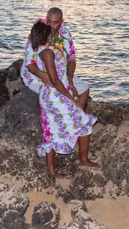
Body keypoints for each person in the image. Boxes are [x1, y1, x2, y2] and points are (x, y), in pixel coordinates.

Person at [27, 19, 99, 177]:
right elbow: (54, 79)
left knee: (51, 129)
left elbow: (61, 73)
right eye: (48, 30)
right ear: (44, 34)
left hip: (51, 95)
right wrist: (71, 98)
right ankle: (83, 160)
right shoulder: (46, 52)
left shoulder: (45, 49)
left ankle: (53, 170)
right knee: (83, 121)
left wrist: (70, 84)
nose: (52, 31)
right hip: (55, 96)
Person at [21, 7, 90, 111]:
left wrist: (70, 77)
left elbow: (71, 59)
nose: (51, 26)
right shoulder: (38, 33)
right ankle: (67, 121)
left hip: (60, 74)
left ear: (61, 22)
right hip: (37, 76)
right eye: (49, 21)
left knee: (84, 90)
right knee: (61, 94)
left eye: (55, 23)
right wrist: (43, 75)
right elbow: (29, 63)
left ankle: (78, 122)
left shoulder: (65, 34)